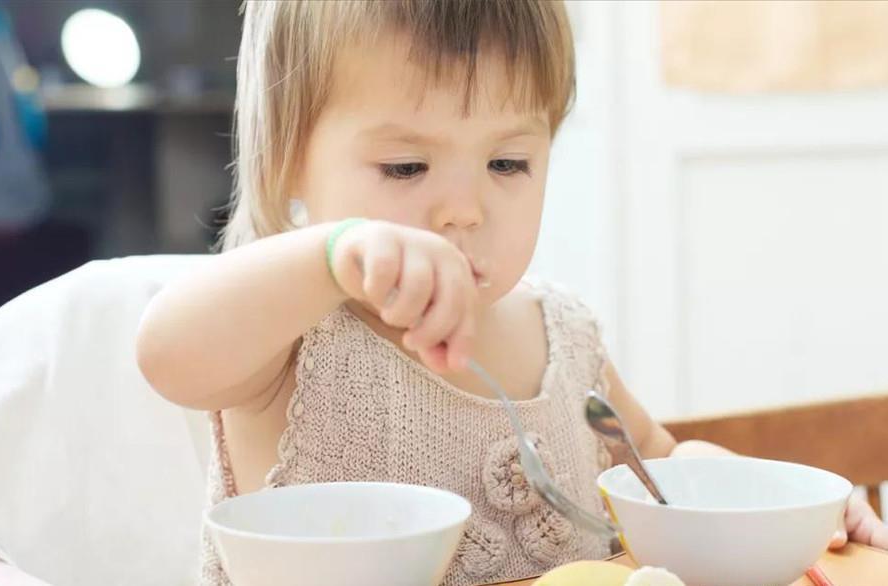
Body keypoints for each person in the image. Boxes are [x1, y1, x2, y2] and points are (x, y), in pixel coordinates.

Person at [135, 2, 887, 585]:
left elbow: (659, 461)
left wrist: (787, 509)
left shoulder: (565, 336)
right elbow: (168, 354)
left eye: (506, 163)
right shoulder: (292, 338)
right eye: (405, 167)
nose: (463, 209)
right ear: (290, 161)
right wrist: (332, 257)